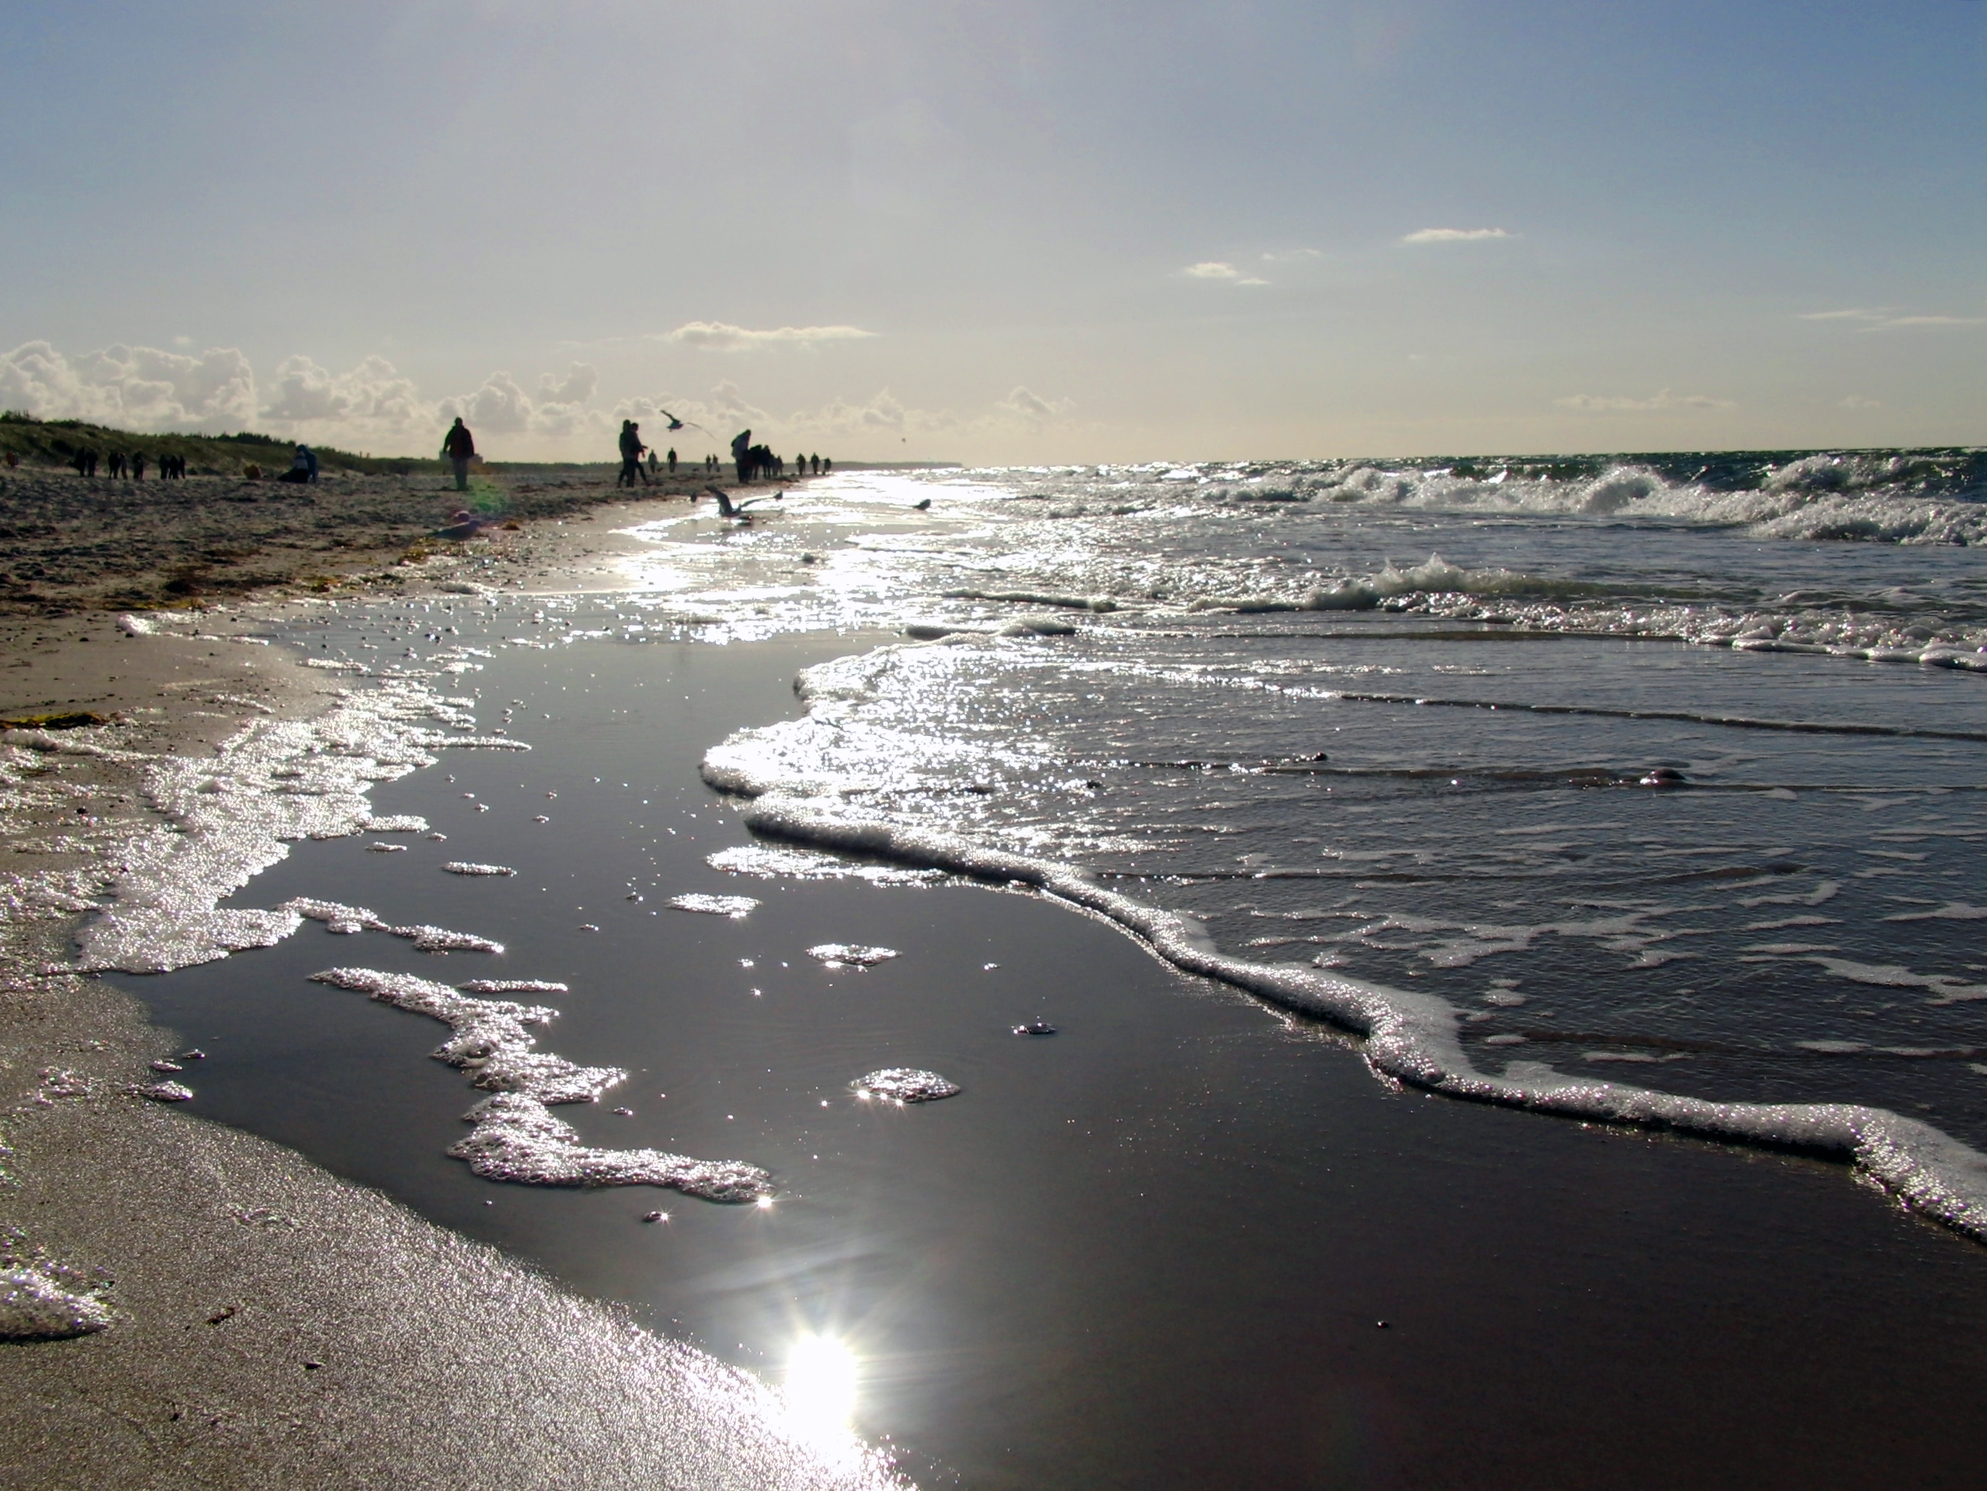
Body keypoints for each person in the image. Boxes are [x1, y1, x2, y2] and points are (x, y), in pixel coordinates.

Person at [441, 418, 476, 491]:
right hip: (456, 454)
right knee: (458, 470)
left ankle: (463, 484)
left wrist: (471, 452)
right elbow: (447, 441)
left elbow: (469, 442)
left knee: (462, 470)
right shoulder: (453, 432)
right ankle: (460, 485)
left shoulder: (464, 432)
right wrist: (444, 449)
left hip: (463, 454)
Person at [618, 420, 650, 487]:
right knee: (627, 470)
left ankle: (628, 483)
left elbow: (637, 443)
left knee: (629, 470)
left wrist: (641, 449)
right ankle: (624, 483)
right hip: (629, 455)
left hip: (631, 455)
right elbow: (622, 445)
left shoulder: (629, 434)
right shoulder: (626, 435)